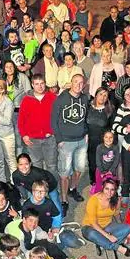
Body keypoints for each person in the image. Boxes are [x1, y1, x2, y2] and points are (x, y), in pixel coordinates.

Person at [51, 74, 89, 214]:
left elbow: (86, 118)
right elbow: (53, 121)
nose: (78, 85)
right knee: (64, 173)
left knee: (79, 168)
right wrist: (59, 139)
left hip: (81, 140)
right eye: (76, 82)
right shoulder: (61, 99)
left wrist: (86, 133)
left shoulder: (85, 99)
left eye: (81, 83)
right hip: (66, 141)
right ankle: (64, 199)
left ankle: (73, 189)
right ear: (71, 83)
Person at [4, 209, 87, 259]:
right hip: (15, 251)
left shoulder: (34, 227)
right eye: (31, 221)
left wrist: (50, 237)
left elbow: (45, 237)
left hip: (28, 244)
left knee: (46, 244)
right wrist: (39, 254)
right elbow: (23, 253)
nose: (33, 224)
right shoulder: (17, 236)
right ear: (24, 220)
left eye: (36, 222)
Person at [18, 74, 58, 176]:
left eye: (42, 84)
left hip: (50, 138)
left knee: (52, 165)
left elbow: (58, 117)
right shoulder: (26, 100)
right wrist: (24, 135)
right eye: (36, 84)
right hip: (33, 140)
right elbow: (21, 120)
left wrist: (54, 132)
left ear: (45, 84)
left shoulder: (52, 98)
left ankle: (52, 187)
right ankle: (39, 188)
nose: (40, 87)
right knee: (36, 165)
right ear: (32, 85)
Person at [81, 180, 130, 256]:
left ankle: (102, 242)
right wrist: (108, 236)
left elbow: (116, 213)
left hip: (107, 225)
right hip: (90, 227)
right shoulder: (93, 200)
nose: (109, 192)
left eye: (112, 189)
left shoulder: (115, 199)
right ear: (102, 188)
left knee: (128, 227)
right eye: (107, 189)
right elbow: (93, 223)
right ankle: (116, 247)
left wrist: (118, 204)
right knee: (91, 234)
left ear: (115, 190)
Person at [11, 153, 63, 227]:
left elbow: (45, 187)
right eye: (21, 164)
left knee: (55, 203)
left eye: (26, 164)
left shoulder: (38, 174)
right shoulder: (15, 175)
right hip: (32, 188)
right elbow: (19, 186)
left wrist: (45, 197)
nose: (24, 167)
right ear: (17, 165)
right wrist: (24, 196)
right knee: (32, 205)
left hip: (49, 185)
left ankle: (59, 223)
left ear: (30, 164)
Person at [0, 79, 18, 181]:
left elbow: (7, 121)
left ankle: (15, 182)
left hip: (6, 135)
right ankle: (2, 182)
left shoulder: (8, 102)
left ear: (2, 90)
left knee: (10, 160)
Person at [87, 87, 115, 184]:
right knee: (92, 163)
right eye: (100, 94)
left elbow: (112, 128)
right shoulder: (88, 106)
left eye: (105, 95)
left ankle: (105, 181)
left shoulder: (110, 110)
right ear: (96, 95)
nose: (102, 97)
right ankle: (94, 181)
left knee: (103, 163)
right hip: (89, 140)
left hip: (103, 142)